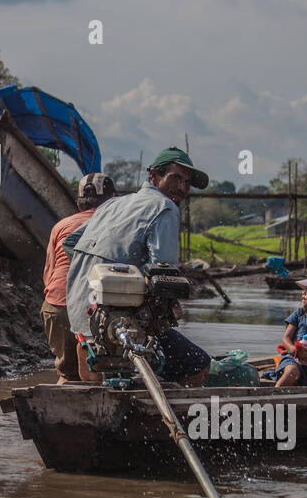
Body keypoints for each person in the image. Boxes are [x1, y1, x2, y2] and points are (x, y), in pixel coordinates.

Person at [64, 147, 211, 387]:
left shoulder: (113, 204)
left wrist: (105, 271)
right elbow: (164, 272)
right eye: (175, 178)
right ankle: (169, 417)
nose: (183, 188)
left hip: (79, 311)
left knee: (95, 384)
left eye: (187, 182)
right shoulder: (165, 207)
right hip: (115, 317)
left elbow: (70, 243)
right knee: (198, 364)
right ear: (154, 176)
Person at [42, 173, 117, 383]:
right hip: (97, 310)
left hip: (57, 305)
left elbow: (49, 275)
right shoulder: (116, 224)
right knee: (100, 372)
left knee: (68, 373)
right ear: (113, 200)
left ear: (78, 203)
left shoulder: (61, 226)